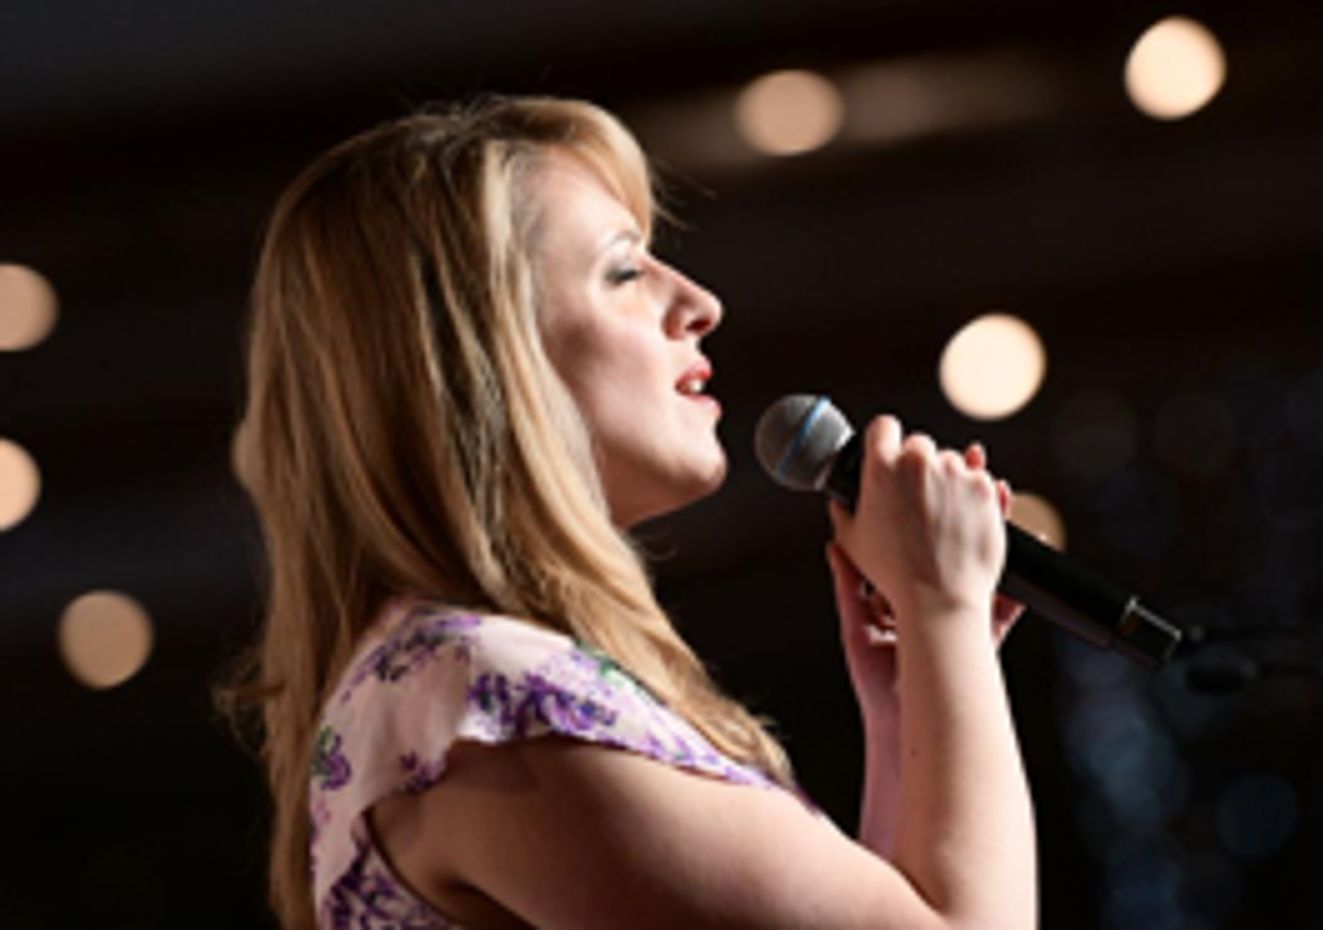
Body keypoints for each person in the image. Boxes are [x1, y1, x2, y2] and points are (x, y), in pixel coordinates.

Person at [228, 95, 1037, 929]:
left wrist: (910, 708)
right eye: (623, 271)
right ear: (485, 358)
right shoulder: (483, 698)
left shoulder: (448, 684)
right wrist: (943, 606)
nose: (699, 302)